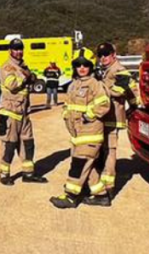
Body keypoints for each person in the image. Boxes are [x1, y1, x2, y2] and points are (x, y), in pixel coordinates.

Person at [50, 50, 111, 208]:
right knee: (87, 166)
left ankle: (70, 196)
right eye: (78, 65)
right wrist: (65, 114)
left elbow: (104, 104)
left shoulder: (95, 84)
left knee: (79, 164)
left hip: (90, 133)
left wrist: (88, 115)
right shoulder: (73, 85)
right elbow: (68, 105)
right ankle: (101, 195)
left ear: (91, 66)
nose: (82, 68)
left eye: (85, 65)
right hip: (77, 134)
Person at [0, 38, 48, 185]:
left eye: (20, 49)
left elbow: (30, 79)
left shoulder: (23, 66)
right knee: (9, 144)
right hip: (10, 112)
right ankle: (4, 174)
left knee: (28, 143)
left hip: (24, 112)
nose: (18, 52)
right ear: (10, 50)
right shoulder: (7, 67)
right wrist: (25, 76)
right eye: (16, 49)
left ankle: (28, 173)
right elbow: (12, 85)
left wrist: (29, 76)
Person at [94, 42, 141, 199]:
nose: (103, 57)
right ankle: (103, 179)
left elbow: (122, 89)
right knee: (104, 149)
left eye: (106, 54)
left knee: (109, 150)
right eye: (100, 55)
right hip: (106, 116)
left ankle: (108, 187)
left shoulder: (118, 69)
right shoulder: (108, 70)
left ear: (114, 54)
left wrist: (102, 90)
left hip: (113, 116)